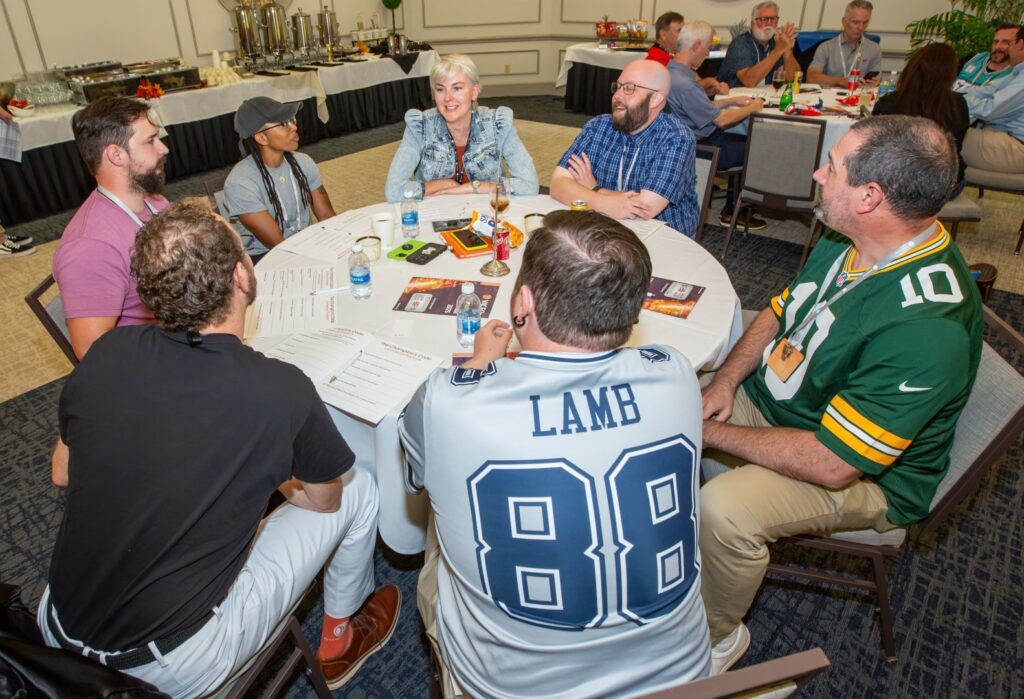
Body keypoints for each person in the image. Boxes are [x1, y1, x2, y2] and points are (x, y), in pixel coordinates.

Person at [38, 202, 400, 697]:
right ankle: (340, 639)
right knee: (359, 490)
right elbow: (325, 501)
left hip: (54, 628)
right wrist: (269, 467)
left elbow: (62, 472)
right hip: (172, 662)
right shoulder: (277, 389)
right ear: (241, 277)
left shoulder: (105, 353)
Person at [698, 116, 982, 674]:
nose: (817, 174)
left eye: (832, 167)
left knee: (724, 510)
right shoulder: (849, 234)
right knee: (657, 393)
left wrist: (705, 429)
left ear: (872, 196)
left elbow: (834, 463)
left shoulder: (927, 326)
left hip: (866, 473)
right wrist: (727, 382)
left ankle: (713, 639)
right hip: (787, 406)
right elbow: (779, 312)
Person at [399, 209, 711, 698]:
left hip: (512, 689)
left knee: (436, 529)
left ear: (523, 302)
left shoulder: (450, 402)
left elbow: (416, 477)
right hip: (681, 680)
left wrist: (481, 361)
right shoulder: (676, 374)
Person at [52, 96, 169, 358]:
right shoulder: (90, 246)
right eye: (150, 141)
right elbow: (92, 351)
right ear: (116, 155)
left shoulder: (154, 200)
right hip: (155, 360)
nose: (163, 149)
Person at [551, 60, 699, 237]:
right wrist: (604, 203)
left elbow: (644, 209)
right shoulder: (598, 126)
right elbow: (558, 184)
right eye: (618, 87)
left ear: (655, 99)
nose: (617, 96)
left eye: (629, 88)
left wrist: (594, 189)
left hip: (663, 236)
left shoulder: (675, 137)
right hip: (603, 230)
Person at [385, 54, 539, 203]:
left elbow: (529, 184)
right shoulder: (421, 126)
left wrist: (474, 187)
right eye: (440, 89)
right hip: (434, 216)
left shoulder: (496, 124)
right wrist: (443, 184)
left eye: (457, 88)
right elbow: (394, 190)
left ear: (474, 91)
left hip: (486, 215)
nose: (447, 98)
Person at [668, 20, 768, 230]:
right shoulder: (685, 83)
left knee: (743, 139)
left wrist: (732, 101)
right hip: (703, 149)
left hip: (690, 142)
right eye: (707, 47)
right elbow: (720, 120)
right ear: (696, 46)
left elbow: (699, 105)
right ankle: (733, 212)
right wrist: (754, 107)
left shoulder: (671, 73)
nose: (707, 52)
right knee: (756, 146)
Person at [223, 97, 336, 263]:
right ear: (261, 138)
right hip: (262, 256)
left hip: (306, 242)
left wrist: (340, 244)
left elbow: (327, 215)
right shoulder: (240, 184)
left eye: (292, 120)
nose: (294, 127)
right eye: (283, 124)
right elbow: (278, 245)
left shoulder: (303, 162)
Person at [872, 43, 970, 198]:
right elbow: (956, 145)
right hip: (942, 185)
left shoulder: (889, 103)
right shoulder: (957, 106)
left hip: (895, 182)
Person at [962, 25, 1024, 179]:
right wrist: (947, 94)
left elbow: (989, 110)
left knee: (934, 138)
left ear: (1020, 45)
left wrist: (954, 99)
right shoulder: (1018, 72)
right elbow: (986, 91)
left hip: (1015, 147)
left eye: (1009, 43)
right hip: (1003, 138)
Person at [717, 2, 799, 88]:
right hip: (735, 98)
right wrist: (778, 50)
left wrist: (787, 49)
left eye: (773, 19)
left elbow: (793, 79)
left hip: (765, 98)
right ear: (752, 24)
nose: (769, 23)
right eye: (764, 19)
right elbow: (749, 81)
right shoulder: (740, 44)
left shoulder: (776, 43)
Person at [807, 0, 881, 88]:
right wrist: (840, 81)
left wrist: (876, 82)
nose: (861, 27)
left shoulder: (874, 49)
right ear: (844, 22)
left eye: (865, 22)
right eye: (856, 22)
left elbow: (876, 79)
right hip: (829, 98)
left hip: (857, 98)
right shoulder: (826, 47)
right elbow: (811, 77)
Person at [955, 24, 1018, 92]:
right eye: (995, 42)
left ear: (1019, 45)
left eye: (1006, 42)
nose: (997, 47)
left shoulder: (1016, 75)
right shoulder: (973, 58)